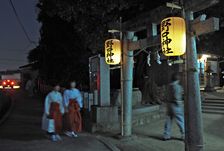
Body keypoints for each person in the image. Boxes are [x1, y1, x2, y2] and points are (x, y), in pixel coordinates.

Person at [163, 73, 185, 141]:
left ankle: (166, 135)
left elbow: (165, 96)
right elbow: (177, 97)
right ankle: (184, 135)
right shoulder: (178, 87)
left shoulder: (168, 86)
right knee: (180, 120)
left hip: (168, 104)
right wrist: (180, 104)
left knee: (168, 120)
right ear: (178, 79)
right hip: (175, 105)